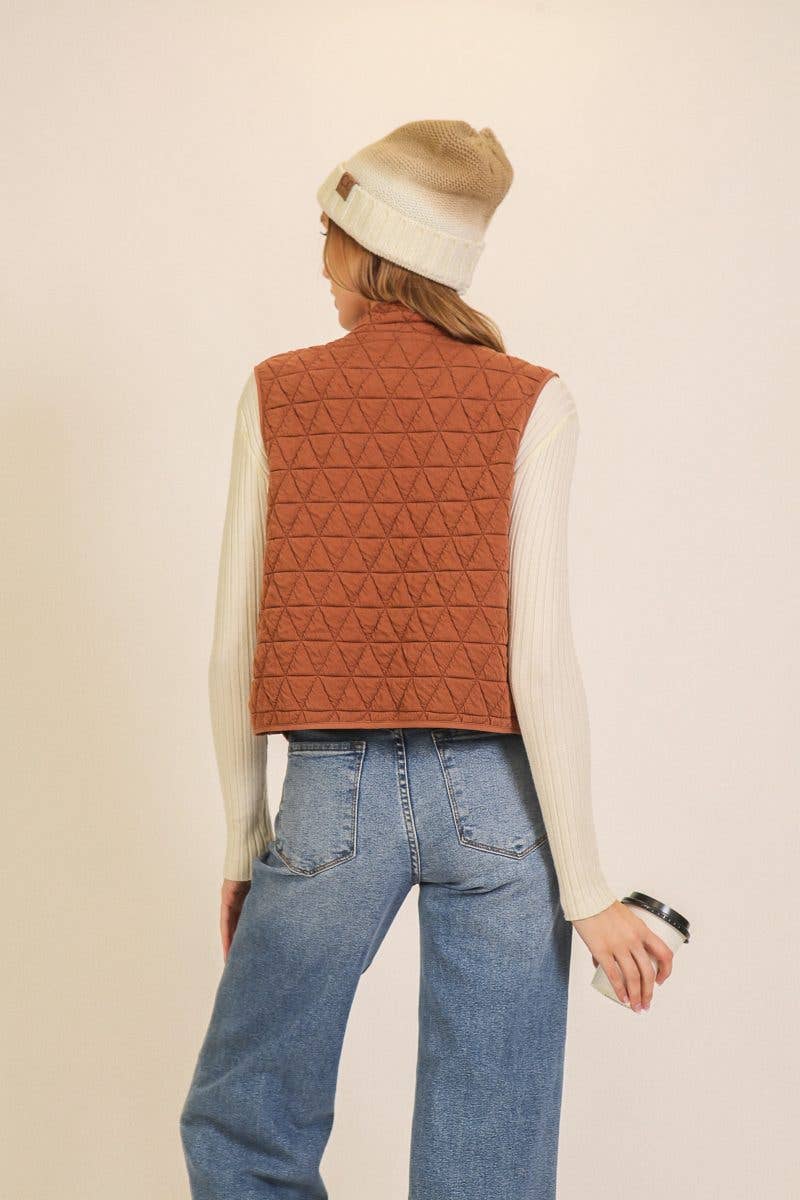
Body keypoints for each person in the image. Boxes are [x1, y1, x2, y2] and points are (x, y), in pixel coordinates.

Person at [180, 119, 673, 1200]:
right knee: (487, 1159)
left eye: (330, 229)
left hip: (329, 798)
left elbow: (231, 646)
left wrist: (244, 840)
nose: (319, 254)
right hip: (498, 802)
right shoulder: (533, 399)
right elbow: (540, 662)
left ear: (370, 247)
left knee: (243, 1120)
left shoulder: (276, 391)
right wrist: (585, 886)